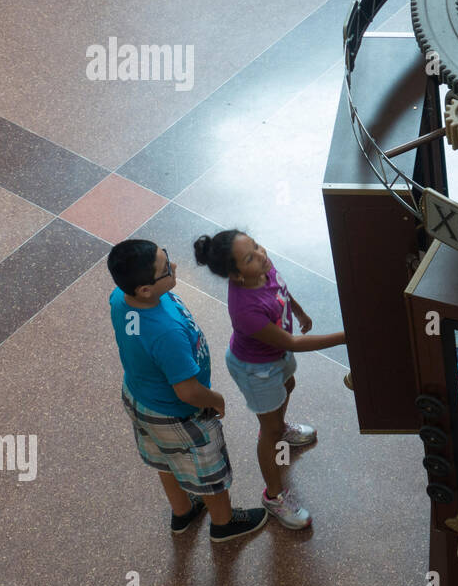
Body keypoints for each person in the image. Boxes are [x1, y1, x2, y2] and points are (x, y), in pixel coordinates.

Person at [107, 240, 267, 543]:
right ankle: (224, 523)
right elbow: (187, 391)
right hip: (177, 414)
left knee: (164, 459)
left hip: (140, 398)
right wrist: (216, 400)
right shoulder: (165, 333)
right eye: (166, 268)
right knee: (210, 472)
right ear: (145, 290)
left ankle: (182, 511)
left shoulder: (120, 297)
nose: (175, 266)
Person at [194, 231, 345, 530]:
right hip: (256, 369)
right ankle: (273, 496)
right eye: (250, 257)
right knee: (269, 431)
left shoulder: (263, 267)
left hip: (275, 359)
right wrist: (346, 337)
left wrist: (299, 311)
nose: (261, 255)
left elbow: (282, 291)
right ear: (236, 275)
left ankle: (280, 427)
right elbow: (292, 343)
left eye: (256, 245)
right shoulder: (244, 309)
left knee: (289, 386)